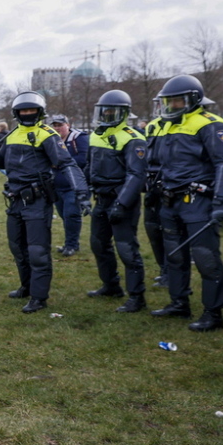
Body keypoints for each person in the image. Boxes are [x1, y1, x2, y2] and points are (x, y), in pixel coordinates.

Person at [0, 92, 89, 313]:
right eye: (23, 111)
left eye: (31, 110)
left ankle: (39, 297)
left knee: (38, 251)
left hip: (37, 200)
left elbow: (67, 164)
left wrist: (82, 192)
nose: (27, 114)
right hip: (15, 199)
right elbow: (6, 161)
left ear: (39, 112)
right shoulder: (13, 134)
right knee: (17, 247)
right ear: (16, 113)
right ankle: (26, 287)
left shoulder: (47, 135)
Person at [150, 75, 223, 332]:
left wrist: (221, 202)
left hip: (198, 201)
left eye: (177, 101)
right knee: (174, 255)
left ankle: (213, 313)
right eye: (168, 102)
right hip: (169, 200)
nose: (172, 106)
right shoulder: (166, 126)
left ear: (194, 100)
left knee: (206, 258)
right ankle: (179, 303)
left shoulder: (210, 124)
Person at [85, 91, 148, 312]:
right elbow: (88, 167)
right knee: (98, 244)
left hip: (123, 200)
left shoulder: (133, 138)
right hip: (101, 199)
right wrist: (83, 191)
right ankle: (111, 285)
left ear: (123, 113)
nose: (107, 114)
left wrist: (121, 204)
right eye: (104, 110)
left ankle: (137, 297)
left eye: (112, 111)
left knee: (127, 249)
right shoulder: (96, 136)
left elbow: (136, 175)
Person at [48, 115, 89, 257]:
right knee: (64, 215)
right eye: (55, 125)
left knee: (71, 214)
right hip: (57, 184)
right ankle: (71, 242)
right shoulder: (53, 139)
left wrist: (60, 162)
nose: (57, 128)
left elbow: (84, 159)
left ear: (68, 125)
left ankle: (71, 245)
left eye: (60, 125)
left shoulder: (79, 137)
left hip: (74, 185)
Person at [142, 112, 171, 288]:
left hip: (171, 185)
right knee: (152, 230)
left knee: (170, 231)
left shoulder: (180, 125)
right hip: (152, 185)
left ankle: (171, 272)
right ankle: (163, 269)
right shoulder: (152, 126)